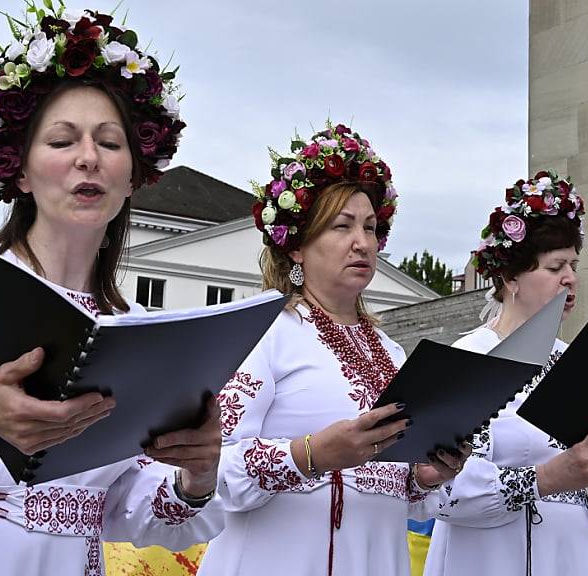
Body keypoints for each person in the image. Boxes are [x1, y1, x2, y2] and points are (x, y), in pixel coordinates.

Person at [0, 7, 224, 575]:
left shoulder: (138, 333)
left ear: (133, 174)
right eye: (63, 140)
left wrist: (198, 474)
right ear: (18, 168)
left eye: (110, 143)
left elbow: (134, 510)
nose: (88, 157)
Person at [198, 122, 467, 576]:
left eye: (370, 226)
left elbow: (397, 495)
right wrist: (312, 454)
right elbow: (209, 467)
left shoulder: (391, 352)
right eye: (341, 227)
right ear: (298, 246)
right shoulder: (265, 334)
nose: (363, 242)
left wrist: (425, 477)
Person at [422, 171, 588, 576]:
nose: (570, 278)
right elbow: (445, 494)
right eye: (555, 267)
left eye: (573, 265)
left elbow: (585, 496)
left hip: (570, 556)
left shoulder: (575, 361)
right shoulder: (469, 359)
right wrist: (546, 477)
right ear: (510, 278)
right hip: (492, 559)